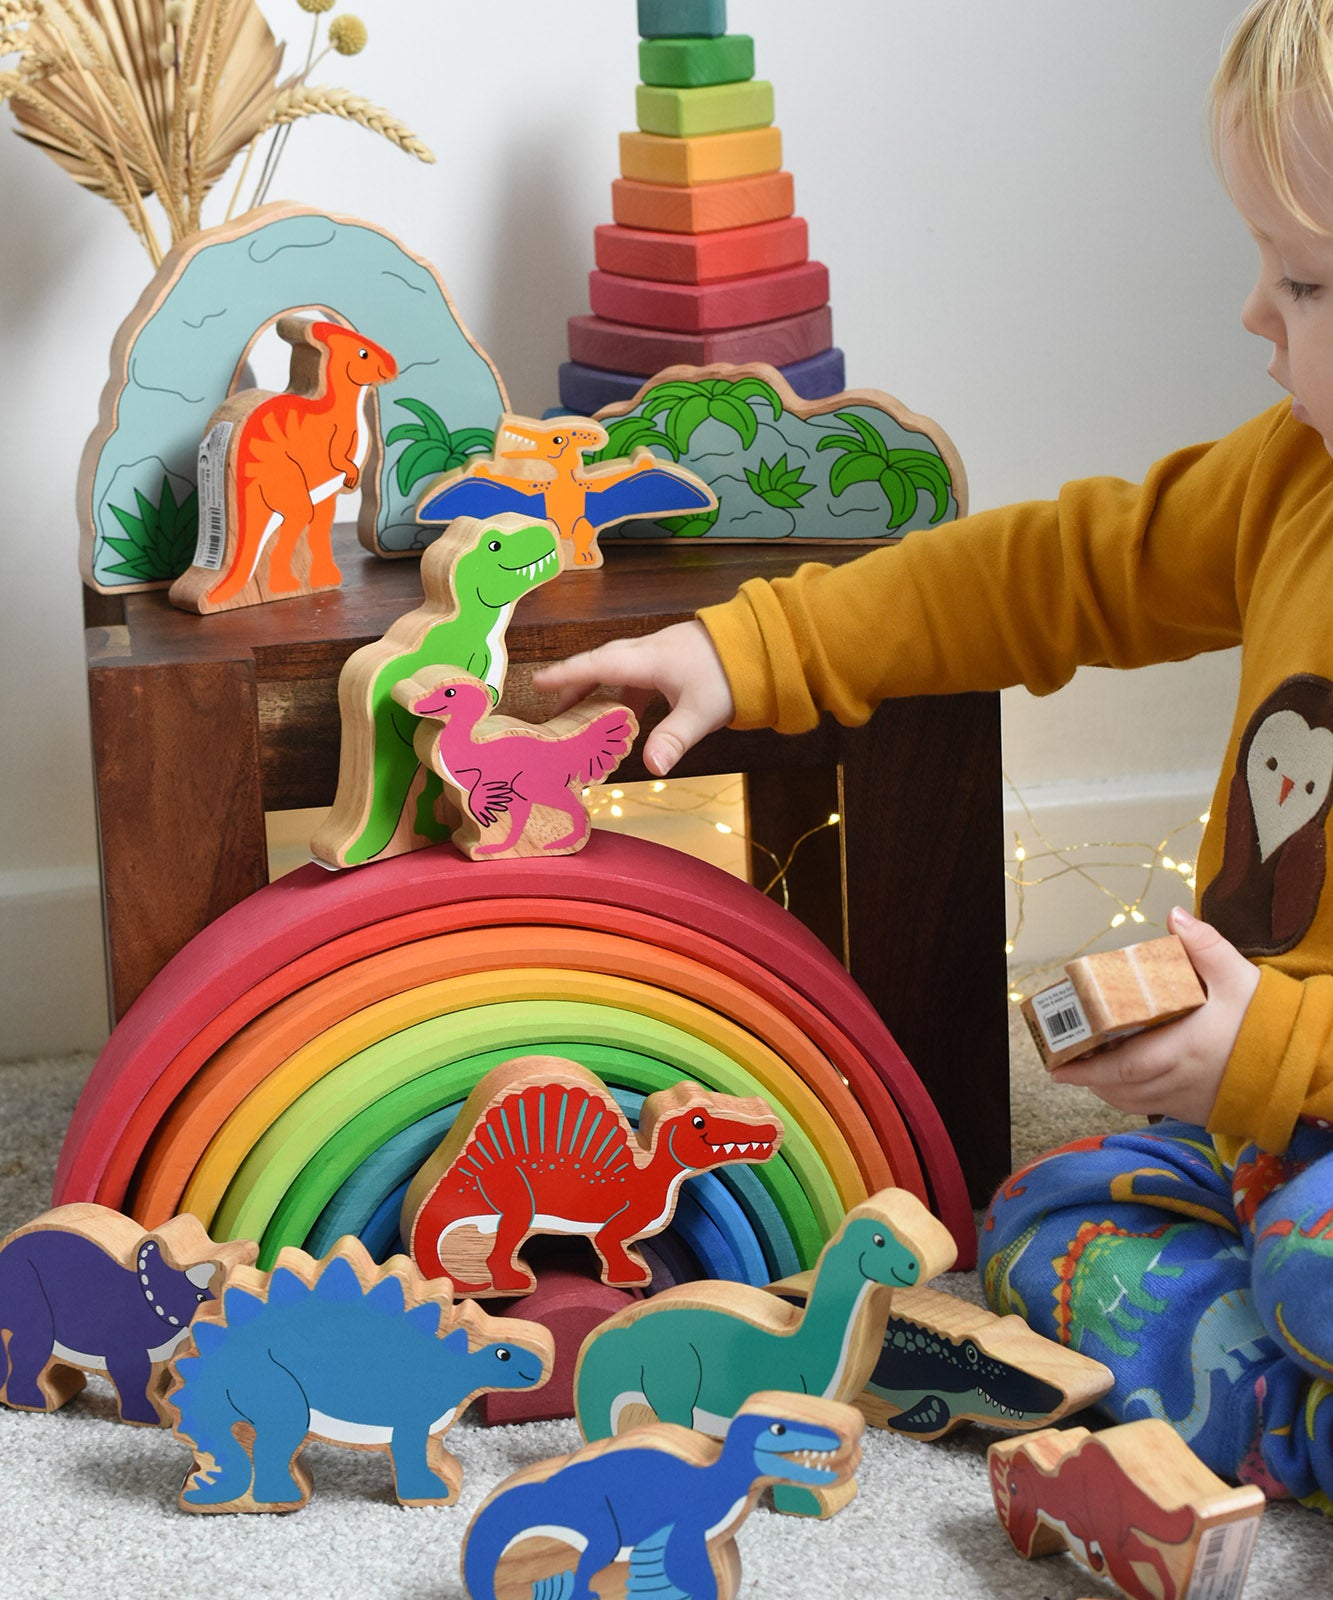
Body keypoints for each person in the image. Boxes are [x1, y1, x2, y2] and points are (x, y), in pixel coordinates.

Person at [534, 0, 1333, 1509]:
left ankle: (1275, 1386)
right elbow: (1049, 573)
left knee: (1309, 1268)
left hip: (1296, 1134)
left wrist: (1272, 1057)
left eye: (1297, 280)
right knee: (1027, 1227)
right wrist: (747, 648)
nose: (1249, 315)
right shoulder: (1294, 476)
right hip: (1261, 1144)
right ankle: (1286, 1416)